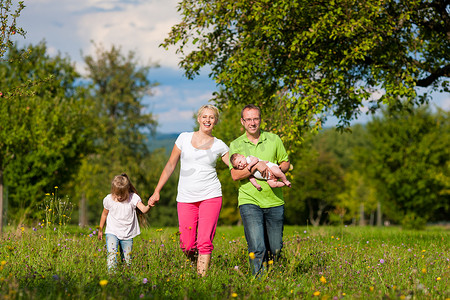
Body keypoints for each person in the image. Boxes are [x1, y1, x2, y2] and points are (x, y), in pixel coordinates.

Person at [148, 104, 229, 276]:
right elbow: (170, 165)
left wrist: (254, 171)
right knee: (187, 245)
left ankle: (201, 279)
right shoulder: (183, 138)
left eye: (212, 117)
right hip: (186, 198)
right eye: (205, 116)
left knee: (205, 241)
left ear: (216, 121)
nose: (208, 120)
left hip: (211, 196)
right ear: (198, 119)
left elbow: (235, 166)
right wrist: (157, 190)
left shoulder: (220, 145)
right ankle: (195, 266)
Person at [229, 104, 290, 277]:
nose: (252, 122)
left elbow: (285, 162)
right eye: (248, 119)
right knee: (257, 246)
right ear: (242, 122)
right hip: (249, 200)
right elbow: (234, 175)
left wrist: (276, 171)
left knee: (276, 247)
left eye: (255, 118)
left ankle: (275, 277)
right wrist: (255, 165)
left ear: (260, 120)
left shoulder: (274, 139)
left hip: (274, 200)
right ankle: (259, 283)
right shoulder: (236, 145)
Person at [98, 173, 151, 271]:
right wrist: (100, 229)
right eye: (116, 194)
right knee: (111, 256)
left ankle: (125, 279)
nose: (119, 197)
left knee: (127, 261)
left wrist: (149, 205)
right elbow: (104, 214)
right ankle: (112, 277)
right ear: (113, 191)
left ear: (127, 190)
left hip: (127, 234)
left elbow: (143, 209)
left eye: (122, 194)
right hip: (112, 232)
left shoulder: (133, 198)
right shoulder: (109, 200)